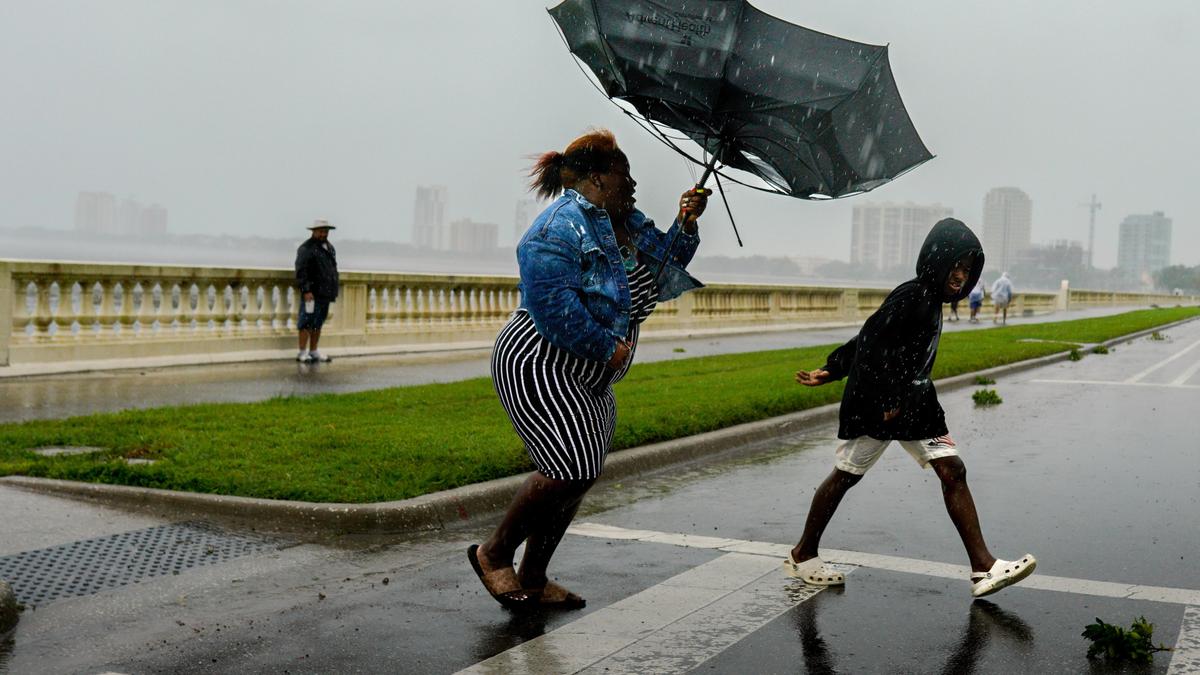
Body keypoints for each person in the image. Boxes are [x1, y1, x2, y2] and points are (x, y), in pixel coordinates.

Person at [469, 129, 708, 611]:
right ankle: (494, 553)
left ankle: (533, 576)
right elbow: (552, 306)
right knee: (569, 467)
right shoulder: (556, 229)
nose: (635, 183)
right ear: (599, 178)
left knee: (581, 472)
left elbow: (665, 267)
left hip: (591, 370)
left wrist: (686, 223)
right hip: (540, 359)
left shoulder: (628, 221)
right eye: (626, 173)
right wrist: (607, 347)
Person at [783, 218, 1036, 598]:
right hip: (883, 405)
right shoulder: (913, 296)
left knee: (953, 470)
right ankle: (804, 554)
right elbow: (871, 342)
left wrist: (843, 373)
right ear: (938, 262)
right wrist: (839, 371)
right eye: (956, 266)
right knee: (846, 475)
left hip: (916, 403)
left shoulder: (932, 300)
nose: (961, 276)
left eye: (968, 270)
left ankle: (983, 567)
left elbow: (883, 345)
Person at [294, 219, 339, 363]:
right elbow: (301, 271)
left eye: (326, 231)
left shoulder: (329, 247)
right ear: (313, 231)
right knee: (306, 322)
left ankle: (313, 351)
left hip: (325, 293)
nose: (324, 234)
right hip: (311, 293)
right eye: (321, 231)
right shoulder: (306, 248)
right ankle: (302, 352)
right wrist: (306, 290)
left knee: (318, 323)